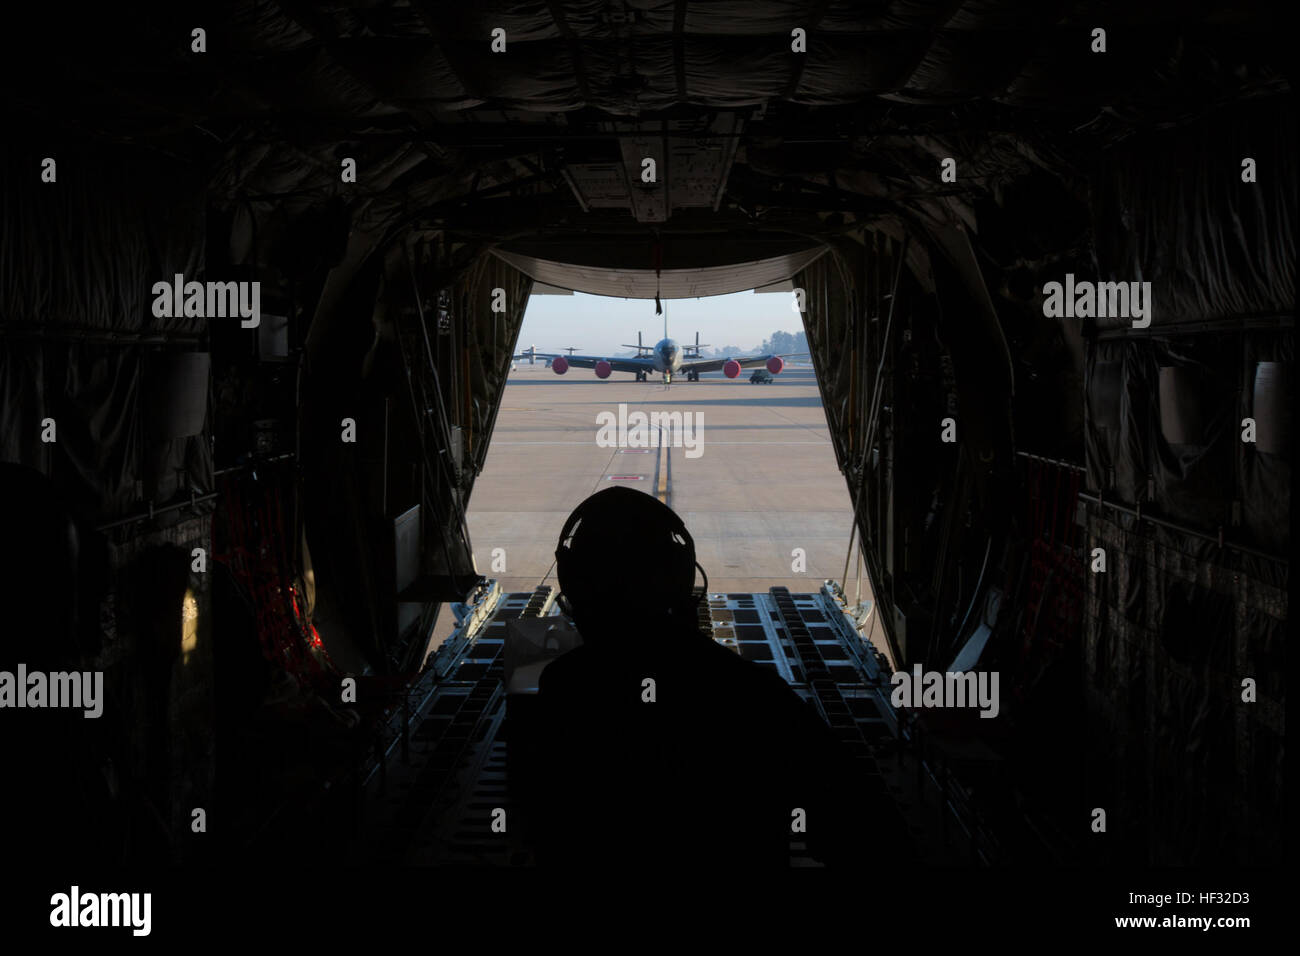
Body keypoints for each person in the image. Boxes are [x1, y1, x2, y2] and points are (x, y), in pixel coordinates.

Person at [526, 486, 902, 869]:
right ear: (681, 577)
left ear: (576, 587)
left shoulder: (561, 689)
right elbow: (866, 834)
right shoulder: (750, 694)